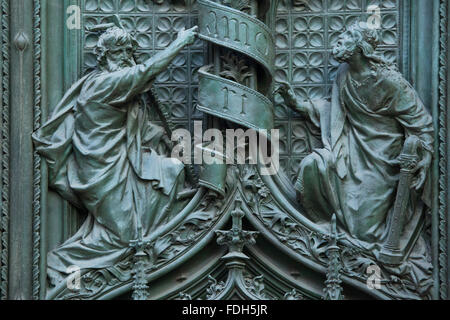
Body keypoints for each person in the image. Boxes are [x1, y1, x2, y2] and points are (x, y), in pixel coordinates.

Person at [33, 24, 199, 287]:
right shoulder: (105, 84)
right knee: (121, 236)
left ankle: (158, 240)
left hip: (123, 162)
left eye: (127, 51)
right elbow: (145, 72)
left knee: (172, 171)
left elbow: (131, 123)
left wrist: (161, 138)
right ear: (103, 56)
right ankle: (62, 263)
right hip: (101, 170)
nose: (124, 58)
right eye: (117, 52)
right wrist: (180, 42)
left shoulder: (105, 81)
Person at [277, 23, 434, 248]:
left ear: (361, 48)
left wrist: (425, 156)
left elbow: (422, 123)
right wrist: (297, 103)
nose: (340, 38)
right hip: (348, 151)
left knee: (366, 233)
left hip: (381, 159)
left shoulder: (389, 81)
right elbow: (335, 110)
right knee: (313, 164)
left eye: (349, 35)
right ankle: (328, 225)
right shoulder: (344, 73)